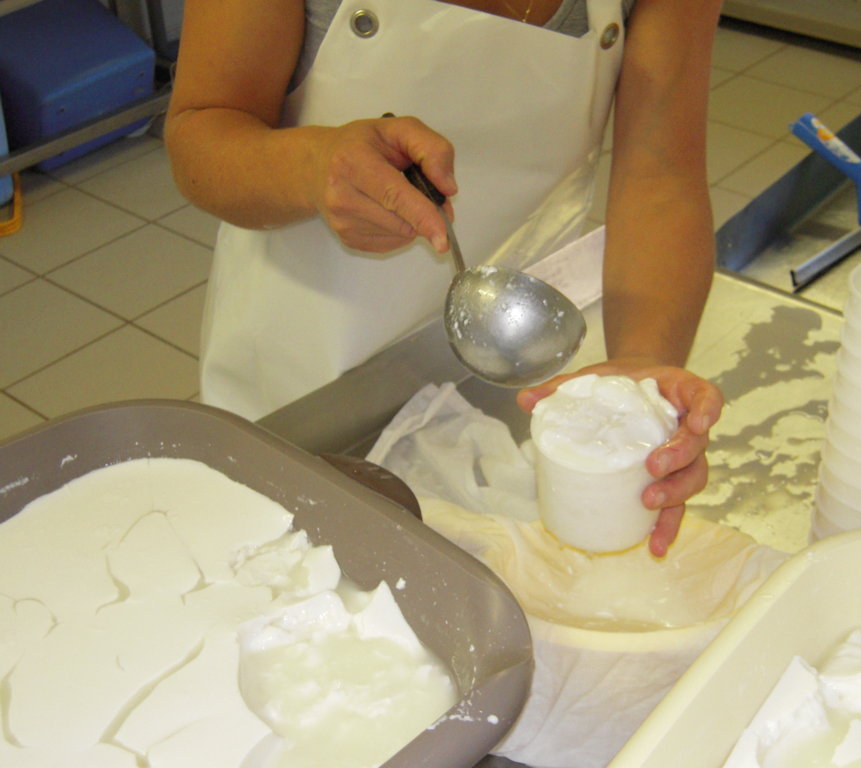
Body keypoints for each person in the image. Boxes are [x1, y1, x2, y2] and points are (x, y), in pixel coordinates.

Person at [165, 0, 725, 557]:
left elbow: (661, 175)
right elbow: (201, 132)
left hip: (505, 365)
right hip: (303, 381)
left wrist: (640, 385)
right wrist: (313, 166)